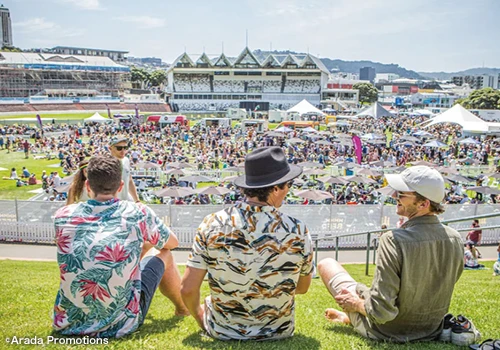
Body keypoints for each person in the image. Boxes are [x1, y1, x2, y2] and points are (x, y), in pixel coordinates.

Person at [181, 146, 314, 341]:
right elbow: (302, 288)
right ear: (276, 188)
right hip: (279, 331)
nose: (288, 190)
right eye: (289, 185)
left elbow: (188, 289)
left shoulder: (212, 224)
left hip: (223, 330)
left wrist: (200, 317)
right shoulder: (298, 230)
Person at [318, 166, 464, 342]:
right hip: (431, 329)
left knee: (326, 264)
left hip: (386, 331)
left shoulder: (393, 239)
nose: (395, 196)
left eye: (402, 194)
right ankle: (351, 318)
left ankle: (353, 317)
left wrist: (355, 304)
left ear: (424, 203)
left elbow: (381, 312)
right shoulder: (455, 239)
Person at [52, 155, 188, 338]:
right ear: (120, 187)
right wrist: (147, 242)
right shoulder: (136, 212)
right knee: (164, 253)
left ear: (88, 186)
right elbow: (172, 243)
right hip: (121, 324)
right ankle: (182, 309)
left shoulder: (63, 215)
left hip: (68, 323)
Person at [109, 136, 140, 203]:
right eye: (119, 148)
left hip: (126, 202)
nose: (123, 151)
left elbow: (129, 181)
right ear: (110, 148)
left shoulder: (126, 160)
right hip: (111, 204)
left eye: (125, 148)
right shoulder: (105, 164)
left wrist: (137, 200)